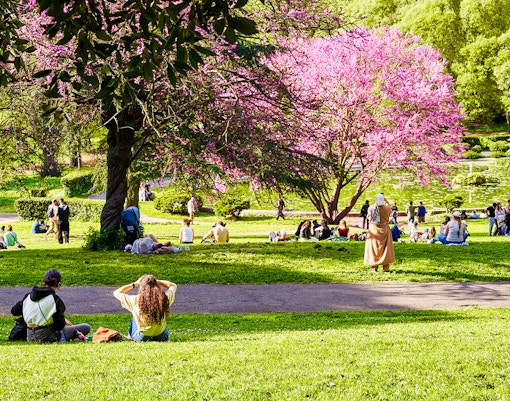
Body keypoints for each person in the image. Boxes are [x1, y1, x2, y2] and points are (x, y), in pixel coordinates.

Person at [10, 269, 90, 342]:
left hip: (29, 336)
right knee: (86, 327)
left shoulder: (28, 296)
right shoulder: (55, 300)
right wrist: (62, 321)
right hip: (45, 336)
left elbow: (14, 311)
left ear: (44, 282)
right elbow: (59, 326)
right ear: (59, 284)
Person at [113, 274, 177, 342]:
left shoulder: (135, 300)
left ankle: (130, 336)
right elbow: (173, 285)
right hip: (161, 337)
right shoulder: (164, 298)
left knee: (135, 314)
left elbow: (116, 292)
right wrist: (155, 281)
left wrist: (134, 284)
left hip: (142, 338)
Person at [364, 194, 395, 273]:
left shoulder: (371, 208)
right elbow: (389, 208)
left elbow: (369, 217)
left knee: (373, 249)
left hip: (373, 231)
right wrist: (386, 201)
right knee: (386, 249)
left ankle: (374, 268)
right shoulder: (387, 208)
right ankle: (386, 268)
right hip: (385, 230)